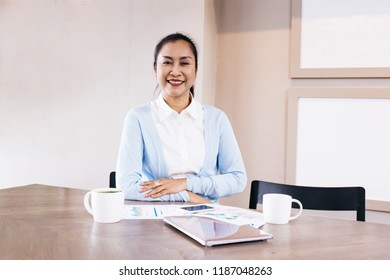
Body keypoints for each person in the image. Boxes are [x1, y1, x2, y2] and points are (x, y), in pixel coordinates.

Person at [116, 32, 247, 203]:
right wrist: (189, 196)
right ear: (155, 69)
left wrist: (186, 184)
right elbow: (126, 186)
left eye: (184, 63)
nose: (175, 71)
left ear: (196, 70)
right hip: (156, 218)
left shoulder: (217, 119)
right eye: (167, 62)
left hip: (206, 220)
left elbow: (237, 179)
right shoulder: (138, 118)